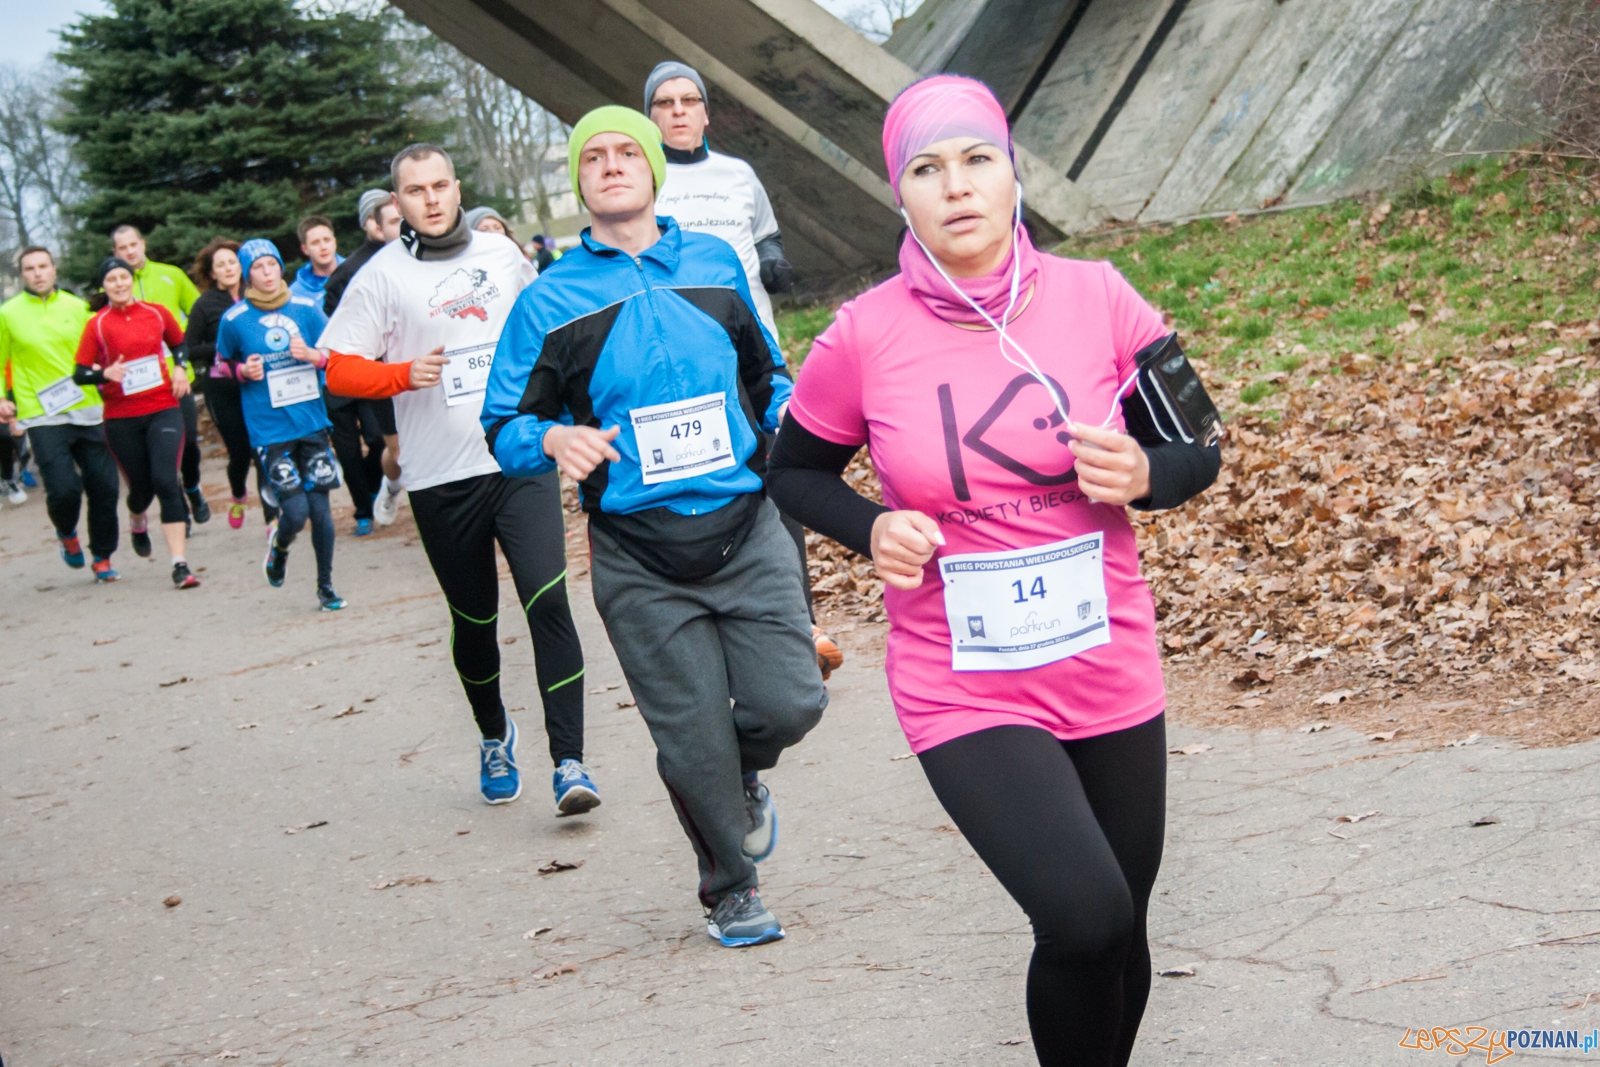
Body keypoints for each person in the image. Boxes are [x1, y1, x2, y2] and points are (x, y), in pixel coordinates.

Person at [767, 76, 1222, 1066]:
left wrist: (1146, 471)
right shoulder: (863, 333)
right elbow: (791, 470)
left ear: (1012, 174)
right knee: (1083, 912)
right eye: (926, 170)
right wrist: (870, 522)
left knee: (1122, 925)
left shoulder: (1099, 296)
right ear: (901, 196)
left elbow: (1201, 447)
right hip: (962, 677)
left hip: (1107, 656)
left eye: (976, 159)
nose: (956, 186)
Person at [483, 106, 827, 948]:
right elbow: (502, 424)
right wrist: (551, 436)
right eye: (591, 157)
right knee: (691, 734)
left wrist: (802, 413)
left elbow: (766, 377)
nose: (609, 165)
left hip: (746, 526)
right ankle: (729, 887)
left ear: (651, 167)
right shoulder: (548, 299)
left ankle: (740, 774)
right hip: (640, 555)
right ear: (579, 182)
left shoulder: (713, 264)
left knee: (793, 701)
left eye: (624, 151)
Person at [318, 143, 595, 815]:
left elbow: (548, 332)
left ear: (457, 187)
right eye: (417, 190)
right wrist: (397, 375)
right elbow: (337, 367)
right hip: (440, 476)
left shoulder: (502, 256)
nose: (433, 198)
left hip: (516, 459)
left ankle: (570, 762)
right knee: (474, 619)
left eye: (441, 184)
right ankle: (495, 734)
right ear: (398, 202)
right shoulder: (381, 277)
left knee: (548, 600)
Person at [644, 61, 841, 679]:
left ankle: (800, 628)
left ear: (705, 111)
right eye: (664, 103)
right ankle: (716, 631)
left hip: (756, 359)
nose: (678, 111)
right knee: (711, 492)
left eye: (688, 100)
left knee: (780, 483)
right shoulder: (645, 187)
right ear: (651, 118)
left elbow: (766, 234)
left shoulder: (739, 174)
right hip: (684, 369)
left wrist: (775, 262)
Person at [219, 239, 345, 611]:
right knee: (296, 513)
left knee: (321, 512)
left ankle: (326, 587)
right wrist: (242, 370)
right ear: (247, 275)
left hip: (311, 423)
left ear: (281, 268)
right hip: (269, 429)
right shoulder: (235, 320)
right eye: (258, 268)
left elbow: (336, 351)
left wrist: (315, 357)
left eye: (272, 265)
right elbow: (218, 364)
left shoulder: (307, 308)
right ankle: (281, 546)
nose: (267, 273)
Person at [75, 256, 201, 589]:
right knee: (141, 490)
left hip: (163, 407)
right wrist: (104, 373)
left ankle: (180, 565)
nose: (119, 284)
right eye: (111, 280)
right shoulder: (97, 324)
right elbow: (79, 373)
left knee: (165, 480)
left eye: (123, 277)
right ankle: (136, 519)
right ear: (104, 286)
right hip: (121, 418)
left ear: (132, 279)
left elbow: (179, 343)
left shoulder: (156, 312)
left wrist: (178, 368)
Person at [0, 247, 121, 579]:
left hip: (88, 408)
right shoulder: (8, 314)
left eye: (43, 266)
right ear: (22, 275)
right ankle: (67, 532)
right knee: (64, 488)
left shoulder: (78, 307)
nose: (38, 273)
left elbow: (102, 352)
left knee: (104, 486)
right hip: (42, 414)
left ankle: (103, 557)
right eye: (30, 268)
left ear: (54, 270)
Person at [111, 224, 208, 524]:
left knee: (189, 441)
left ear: (143, 244)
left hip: (179, 377)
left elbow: (197, 312)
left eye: (133, 245)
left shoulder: (171, 274)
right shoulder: (113, 288)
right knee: (163, 454)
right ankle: (177, 507)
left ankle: (192, 486)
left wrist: (185, 350)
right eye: (122, 248)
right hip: (142, 388)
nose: (129, 252)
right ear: (115, 253)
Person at [322, 192, 405, 535]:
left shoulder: (426, 258)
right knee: (396, 449)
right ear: (373, 224)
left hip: (432, 368)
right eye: (392, 221)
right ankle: (392, 485)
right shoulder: (352, 272)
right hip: (384, 372)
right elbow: (339, 322)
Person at [186, 237, 271, 530]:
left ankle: (272, 519)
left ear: (242, 265)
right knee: (240, 452)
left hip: (258, 382)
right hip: (223, 388)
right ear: (212, 273)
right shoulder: (205, 305)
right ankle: (238, 494)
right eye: (220, 264)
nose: (227, 268)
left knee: (262, 449)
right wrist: (224, 347)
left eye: (232, 262)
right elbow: (190, 349)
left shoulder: (257, 295)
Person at [288, 215, 343, 301]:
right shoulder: (295, 294)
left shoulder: (356, 273)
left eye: (327, 240)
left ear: (335, 242)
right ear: (305, 249)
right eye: (315, 243)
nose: (323, 247)